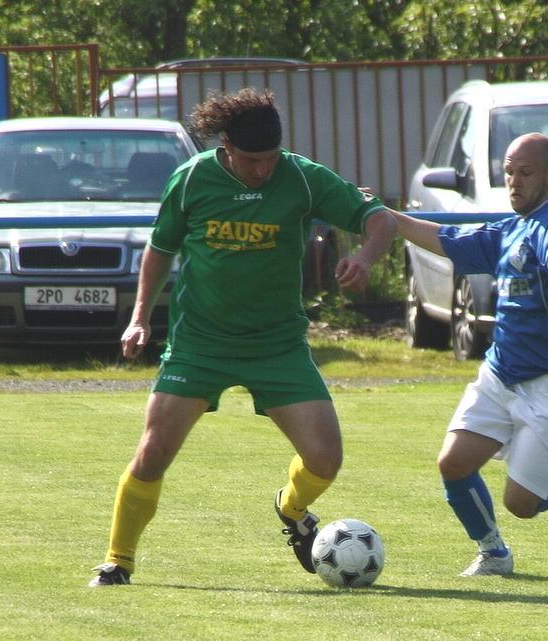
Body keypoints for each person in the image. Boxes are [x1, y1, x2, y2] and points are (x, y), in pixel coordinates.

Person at [89, 88, 396, 586]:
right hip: (200, 346)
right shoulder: (191, 181)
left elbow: (379, 220)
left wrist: (363, 259)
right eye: (253, 160)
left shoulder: (300, 176)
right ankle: (117, 560)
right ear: (226, 145)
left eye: (270, 158)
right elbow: (160, 248)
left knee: (325, 458)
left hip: (277, 345)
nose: (263, 170)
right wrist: (140, 316)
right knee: (152, 454)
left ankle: (292, 509)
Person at [391, 132, 548, 576]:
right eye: (509, 172)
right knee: (453, 464)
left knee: (523, 504)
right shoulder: (507, 232)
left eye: (525, 172)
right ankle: (493, 552)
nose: (514, 181)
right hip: (499, 375)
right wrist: (385, 215)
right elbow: (445, 238)